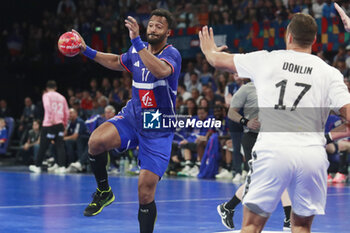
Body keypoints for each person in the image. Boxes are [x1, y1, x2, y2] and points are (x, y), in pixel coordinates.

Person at [199, 13, 350, 233]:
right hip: (311, 154)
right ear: (314, 40)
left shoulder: (267, 59)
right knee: (301, 227)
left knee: (251, 225)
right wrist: (327, 137)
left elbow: (217, 61)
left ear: (288, 36)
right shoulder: (330, 73)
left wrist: (208, 50)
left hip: (273, 149)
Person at [74, 9, 181, 233]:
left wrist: (137, 43)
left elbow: (160, 71)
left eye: (158, 26)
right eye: (151, 25)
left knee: (144, 192)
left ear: (168, 33)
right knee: (96, 141)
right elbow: (115, 61)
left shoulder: (172, 54)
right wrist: (86, 50)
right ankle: (104, 191)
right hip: (134, 115)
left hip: (157, 125)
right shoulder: (136, 49)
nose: (153, 29)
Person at [216, 81, 291, 230]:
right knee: (260, 179)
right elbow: (231, 112)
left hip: (273, 137)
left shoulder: (278, 86)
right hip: (253, 138)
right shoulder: (246, 89)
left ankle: (228, 207)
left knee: (280, 174)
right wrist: (245, 121)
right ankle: (288, 218)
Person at [29, 80, 69, 174]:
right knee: (60, 145)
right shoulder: (62, 97)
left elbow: (47, 106)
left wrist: (51, 118)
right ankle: (62, 167)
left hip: (49, 124)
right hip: (59, 124)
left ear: (47, 88)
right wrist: (64, 124)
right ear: (56, 88)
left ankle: (37, 166)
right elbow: (66, 112)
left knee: (43, 145)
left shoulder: (46, 95)